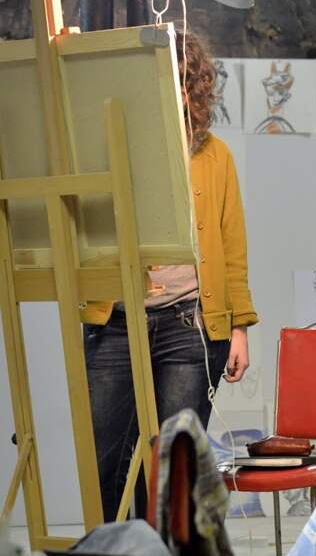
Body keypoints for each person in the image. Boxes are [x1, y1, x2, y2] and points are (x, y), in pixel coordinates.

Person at [81, 32, 258, 521]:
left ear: (192, 88)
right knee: (103, 464)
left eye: (181, 80)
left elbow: (232, 246)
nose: (170, 90)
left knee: (173, 469)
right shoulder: (110, 146)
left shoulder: (215, 155)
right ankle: (117, 547)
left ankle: (163, 550)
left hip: (189, 325)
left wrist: (239, 326)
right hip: (117, 322)